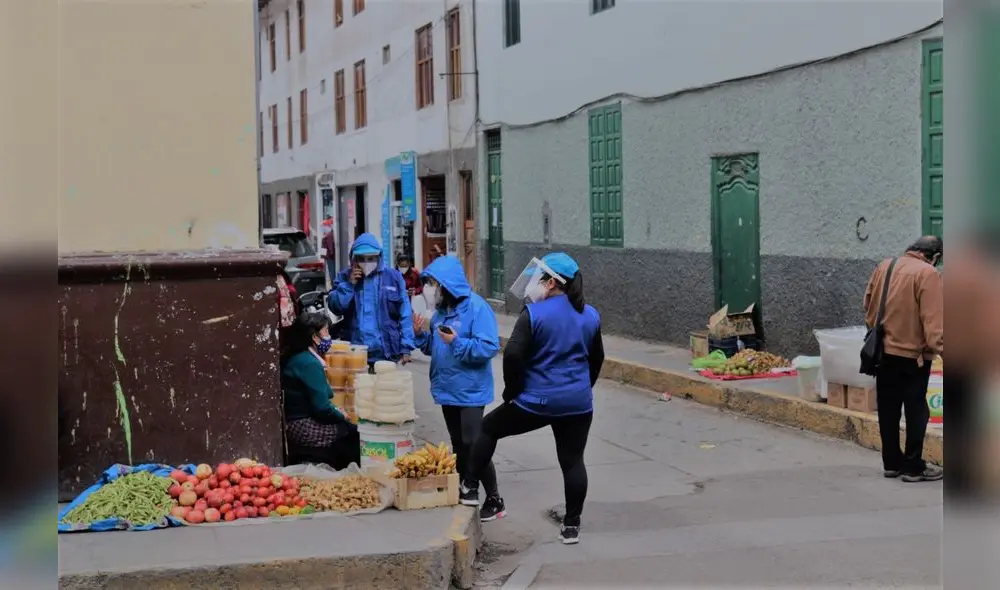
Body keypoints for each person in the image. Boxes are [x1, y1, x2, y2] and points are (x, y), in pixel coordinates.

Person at [462, 253, 604, 545]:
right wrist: (583, 388)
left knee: (489, 427)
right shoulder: (590, 315)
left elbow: (513, 354)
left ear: (551, 283)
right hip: (578, 403)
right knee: (573, 460)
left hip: (537, 401)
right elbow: (597, 358)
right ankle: (571, 526)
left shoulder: (534, 314)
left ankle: (470, 487)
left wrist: (512, 391)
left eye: (538, 278)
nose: (533, 284)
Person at [411, 255, 504, 521]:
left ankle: (493, 497)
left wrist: (457, 343)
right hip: (447, 388)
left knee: (475, 443)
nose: (432, 290)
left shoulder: (477, 308)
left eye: (435, 284)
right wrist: (421, 335)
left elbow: (488, 347)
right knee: (459, 444)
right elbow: (434, 347)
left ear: (448, 284)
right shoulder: (442, 312)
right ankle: (466, 487)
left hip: (471, 389)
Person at [864, 235, 944, 483]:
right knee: (916, 410)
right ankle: (913, 467)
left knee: (888, 408)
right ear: (935, 257)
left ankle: (891, 463)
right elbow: (934, 326)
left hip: (882, 352)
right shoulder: (928, 274)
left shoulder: (885, 265)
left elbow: (867, 304)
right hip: (913, 357)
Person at [281, 311, 360, 470]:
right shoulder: (309, 363)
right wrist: (341, 415)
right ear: (314, 337)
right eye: (325, 331)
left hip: (294, 422)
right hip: (303, 426)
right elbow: (322, 408)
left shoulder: (297, 357)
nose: (328, 336)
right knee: (353, 433)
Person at [328, 232, 415, 366]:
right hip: (354, 352)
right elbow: (336, 307)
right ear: (354, 259)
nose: (367, 263)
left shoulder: (393, 278)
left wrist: (406, 346)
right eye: (362, 259)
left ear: (379, 256)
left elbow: (405, 314)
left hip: (386, 352)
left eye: (371, 258)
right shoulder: (344, 277)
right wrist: (349, 285)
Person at [321, 216, 337, 282]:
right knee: (331, 272)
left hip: (330, 257)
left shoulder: (328, 236)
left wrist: (330, 254)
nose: (323, 228)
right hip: (329, 257)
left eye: (324, 227)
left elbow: (329, 248)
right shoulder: (328, 235)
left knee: (332, 272)